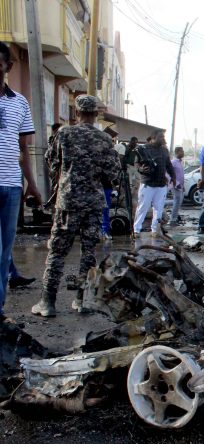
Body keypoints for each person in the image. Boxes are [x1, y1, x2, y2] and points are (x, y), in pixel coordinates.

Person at [31, 95, 119, 317]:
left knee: (57, 252)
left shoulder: (64, 133)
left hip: (68, 202)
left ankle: (48, 302)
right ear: (96, 114)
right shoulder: (104, 139)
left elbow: (52, 162)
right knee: (88, 253)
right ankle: (81, 300)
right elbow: (113, 173)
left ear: (77, 113)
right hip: (93, 203)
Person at [0, 41, 43, 320]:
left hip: (12, 186)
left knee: (4, 253)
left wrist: (33, 184)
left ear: (7, 67)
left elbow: (24, 148)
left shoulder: (20, 102)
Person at [133, 129, 175, 237]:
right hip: (148, 184)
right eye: (161, 137)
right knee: (143, 207)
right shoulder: (144, 149)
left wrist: (173, 176)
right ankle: (136, 230)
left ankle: (155, 230)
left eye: (163, 137)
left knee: (159, 208)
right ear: (153, 138)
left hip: (161, 184)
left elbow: (169, 165)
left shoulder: (164, 150)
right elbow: (137, 163)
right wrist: (141, 169)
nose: (163, 139)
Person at [169, 146, 185, 226]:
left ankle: (175, 217)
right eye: (182, 151)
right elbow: (169, 174)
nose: (183, 153)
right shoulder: (173, 162)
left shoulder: (181, 162)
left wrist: (183, 185)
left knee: (179, 202)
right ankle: (173, 220)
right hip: (176, 185)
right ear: (177, 152)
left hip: (181, 186)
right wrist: (177, 183)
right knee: (177, 201)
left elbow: (181, 174)